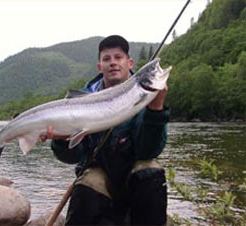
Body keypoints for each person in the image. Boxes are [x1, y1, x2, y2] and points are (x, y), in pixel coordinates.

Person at [41, 35, 169, 225]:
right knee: (88, 183)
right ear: (100, 66)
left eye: (118, 57)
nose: (113, 63)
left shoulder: (143, 96)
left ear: (129, 62)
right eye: (107, 59)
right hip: (99, 176)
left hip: (133, 176)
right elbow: (73, 157)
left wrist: (155, 110)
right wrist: (61, 140)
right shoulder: (80, 101)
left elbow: (148, 151)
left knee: (150, 171)